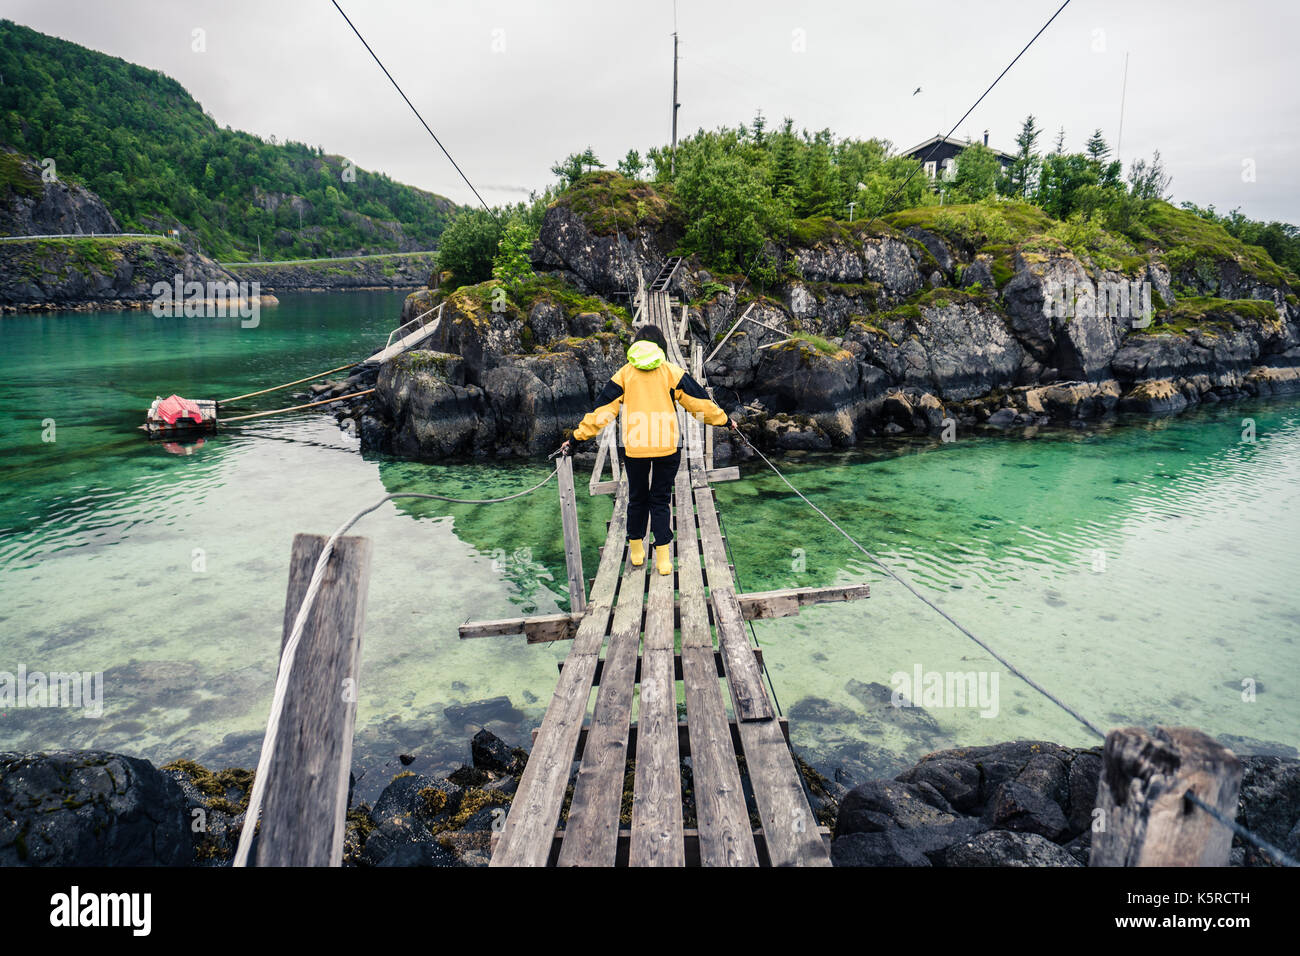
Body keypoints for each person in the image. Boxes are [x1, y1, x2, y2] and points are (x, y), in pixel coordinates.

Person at [560, 325, 735, 576]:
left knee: (637, 498)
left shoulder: (624, 374)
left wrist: (575, 439)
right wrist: (725, 421)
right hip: (667, 446)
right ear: (661, 346)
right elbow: (699, 405)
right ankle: (663, 558)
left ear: (636, 345)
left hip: (635, 448)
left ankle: (636, 552)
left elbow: (601, 414)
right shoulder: (671, 372)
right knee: (661, 499)